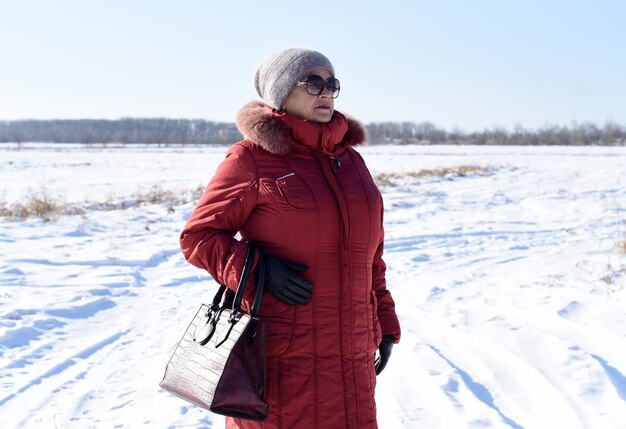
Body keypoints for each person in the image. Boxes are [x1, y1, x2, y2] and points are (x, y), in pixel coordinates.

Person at [180, 48, 401, 429]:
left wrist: (385, 323)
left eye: (332, 83)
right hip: (284, 358)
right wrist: (258, 270)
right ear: (282, 93)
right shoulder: (252, 158)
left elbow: (372, 259)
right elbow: (199, 237)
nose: (326, 92)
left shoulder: (351, 162)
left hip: (353, 356)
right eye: (313, 83)